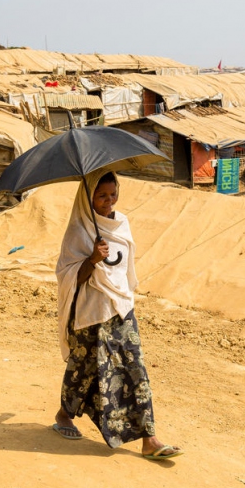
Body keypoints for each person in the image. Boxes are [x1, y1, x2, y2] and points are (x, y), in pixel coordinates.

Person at [53, 172, 182, 461]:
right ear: (88, 199)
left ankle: (149, 438)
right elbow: (67, 276)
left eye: (113, 194)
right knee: (84, 369)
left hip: (121, 308)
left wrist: (121, 292)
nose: (109, 201)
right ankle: (64, 414)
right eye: (101, 196)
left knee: (135, 367)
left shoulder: (121, 222)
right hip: (91, 313)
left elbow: (125, 268)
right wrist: (92, 260)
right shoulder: (79, 230)